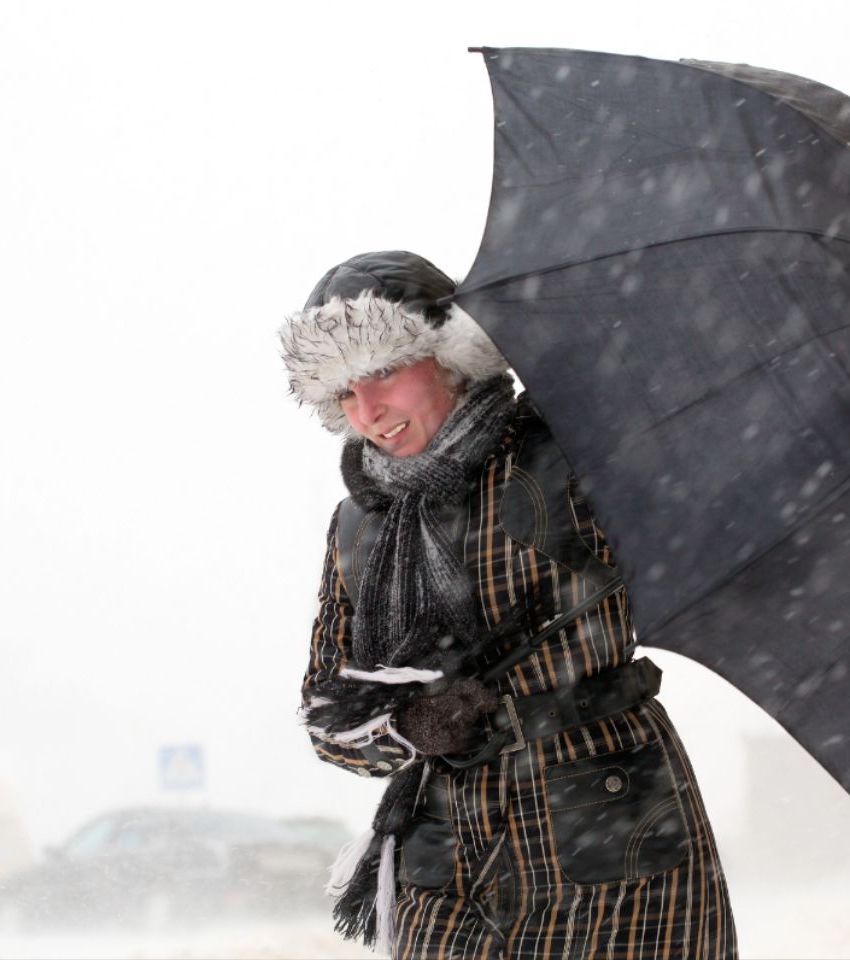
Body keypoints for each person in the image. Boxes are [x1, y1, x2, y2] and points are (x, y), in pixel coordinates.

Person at [281, 250, 737, 959]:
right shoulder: (360, 527)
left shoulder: (568, 453)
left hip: (609, 830)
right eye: (343, 394)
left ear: (450, 355)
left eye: (382, 374)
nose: (367, 412)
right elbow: (328, 719)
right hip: (444, 856)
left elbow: (708, 520)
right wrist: (412, 729)